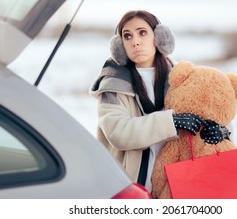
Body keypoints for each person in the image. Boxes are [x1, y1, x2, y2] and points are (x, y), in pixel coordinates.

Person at [89, 10, 211, 193]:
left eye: (142, 32)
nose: (135, 41)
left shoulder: (183, 77)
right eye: (127, 36)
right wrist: (171, 122)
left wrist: (220, 130)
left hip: (175, 188)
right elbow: (118, 132)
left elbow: (212, 113)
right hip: (130, 190)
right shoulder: (111, 85)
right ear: (120, 47)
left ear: (159, 36)